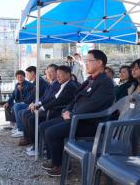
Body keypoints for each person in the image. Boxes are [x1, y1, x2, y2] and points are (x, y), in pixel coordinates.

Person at [39, 49, 115, 177]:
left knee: (52, 132)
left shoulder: (105, 83)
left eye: (89, 61)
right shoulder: (90, 80)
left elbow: (92, 105)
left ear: (99, 62)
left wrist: (72, 114)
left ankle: (63, 166)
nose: (86, 63)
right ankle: (56, 161)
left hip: (90, 123)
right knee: (44, 126)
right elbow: (76, 99)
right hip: (77, 118)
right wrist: (67, 110)